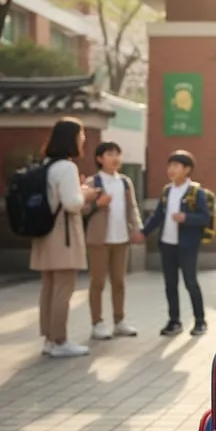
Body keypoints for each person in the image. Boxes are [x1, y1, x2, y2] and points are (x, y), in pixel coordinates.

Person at [31, 117, 100, 358]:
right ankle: (60, 340)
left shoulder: (46, 165)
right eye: (81, 135)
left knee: (48, 287)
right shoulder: (67, 167)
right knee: (63, 287)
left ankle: (49, 339)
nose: (83, 140)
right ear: (71, 138)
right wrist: (86, 194)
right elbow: (72, 203)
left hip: (44, 232)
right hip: (64, 234)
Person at [136, 150, 210, 337]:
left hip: (187, 245)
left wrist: (186, 217)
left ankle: (200, 321)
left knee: (190, 282)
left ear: (187, 169)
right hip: (167, 244)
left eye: (176, 166)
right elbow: (157, 216)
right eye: (170, 165)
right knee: (170, 284)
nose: (171, 169)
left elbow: (205, 217)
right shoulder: (167, 191)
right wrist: (143, 233)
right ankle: (174, 321)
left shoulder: (195, 192)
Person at [84, 141, 142, 340]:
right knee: (97, 282)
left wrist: (137, 229)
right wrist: (97, 204)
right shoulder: (93, 182)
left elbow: (132, 207)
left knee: (119, 282)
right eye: (110, 154)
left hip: (121, 239)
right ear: (99, 159)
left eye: (117, 154)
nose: (115, 158)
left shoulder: (125, 182)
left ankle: (119, 321)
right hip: (99, 240)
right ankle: (97, 323)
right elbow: (82, 209)